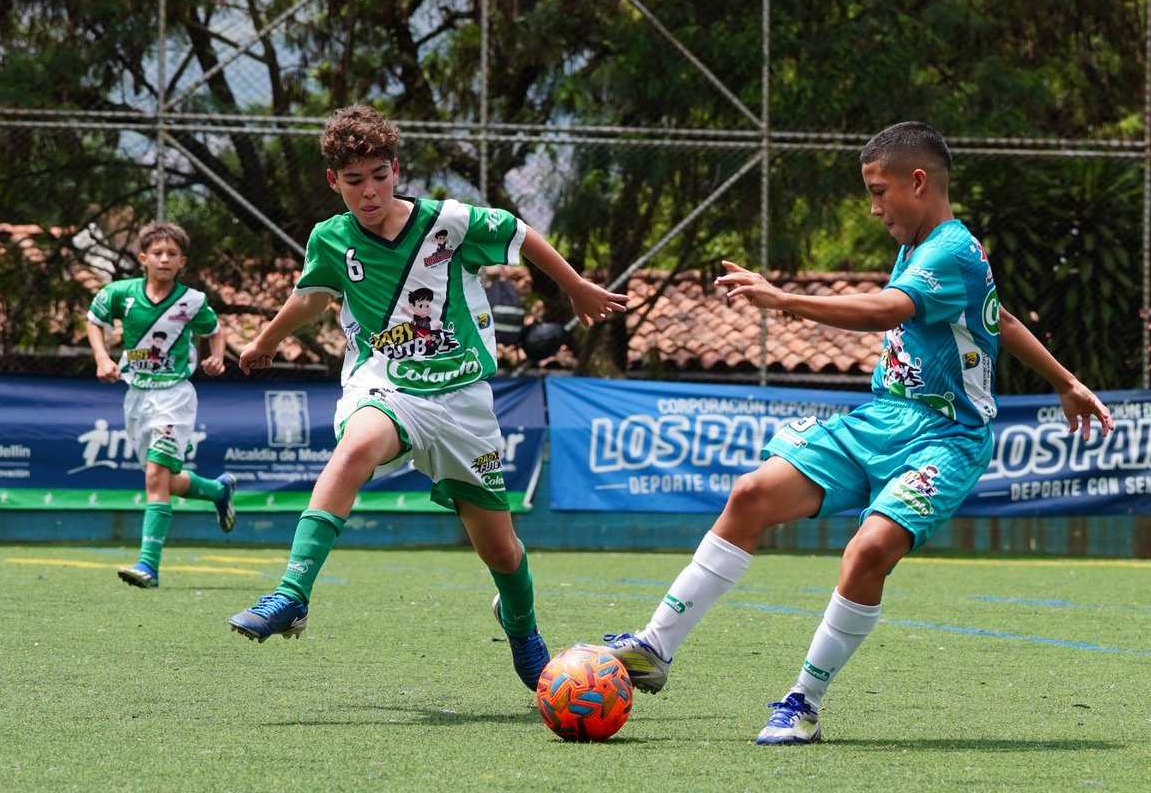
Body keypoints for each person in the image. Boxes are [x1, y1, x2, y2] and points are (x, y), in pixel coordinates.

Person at [601, 121, 1114, 743]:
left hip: (947, 438)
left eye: (878, 192)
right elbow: (995, 315)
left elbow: (886, 311)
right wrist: (1064, 380)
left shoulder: (950, 249)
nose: (873, 209)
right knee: (751, 494)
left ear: (917, 182)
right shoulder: (928, 249)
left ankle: (802, 703)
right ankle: (655, 647)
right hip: (881, 420)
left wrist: (782, 299)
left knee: (868, 550)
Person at [227, 104, 629, 691]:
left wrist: (573, 286)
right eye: (354, 180)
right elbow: (312, 299)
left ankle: (521, 627)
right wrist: (264, 339)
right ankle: (292, 593)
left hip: (463, 400)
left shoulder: (452, 223)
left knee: (501, 551)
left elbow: (520, 233)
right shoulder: (331, 239)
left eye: (379, 176)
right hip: (385, 384)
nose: (369, 193)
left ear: (396, 169)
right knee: (355, 448)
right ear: (332, 182)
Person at [86, 221, 238, 589]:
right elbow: (94, 321)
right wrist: (102, 359)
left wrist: (217, 357)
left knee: (154, 476)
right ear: (143, 258)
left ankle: (148, 566)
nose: (164, 259)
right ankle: (218, 491)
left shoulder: (192, 301)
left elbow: (214, 329)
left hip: (174, 395)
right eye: (157, 253)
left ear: (182, 261)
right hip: (136, 396)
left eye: (172, 254)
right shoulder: (119, 293)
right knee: (165, 479)